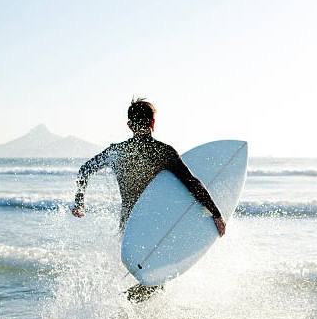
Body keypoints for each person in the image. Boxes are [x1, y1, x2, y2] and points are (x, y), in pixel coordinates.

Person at [72, 98, 226, 301]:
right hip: (155, 225)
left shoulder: (117, 151)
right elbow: (192, 183)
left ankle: (118, 308)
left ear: (129, 125)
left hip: (128, 225)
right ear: (153, 123)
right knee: (156, 279)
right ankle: (121, 306)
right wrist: (215, 213)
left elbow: (85, 170)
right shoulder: (163, 152)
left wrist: (79, 203)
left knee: (140, 273)